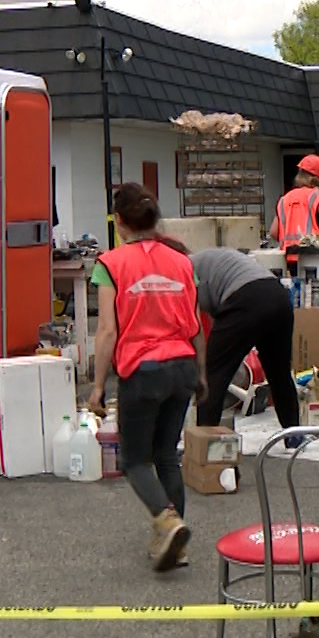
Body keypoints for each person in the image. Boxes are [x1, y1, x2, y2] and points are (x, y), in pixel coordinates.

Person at [85, 184, 207, 571]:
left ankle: (167, 521)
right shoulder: (182, 262)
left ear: (119, 222)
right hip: (182, 365)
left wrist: (98, 385)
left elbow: (107, 330)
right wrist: (201, 372)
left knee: (136, 460)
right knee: (167, 455)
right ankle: (176, 545)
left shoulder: (111, 263)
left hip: (143, 369)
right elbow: (196, 324)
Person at [189, 247, 300, 431]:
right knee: (279, 374)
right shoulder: (205, 259)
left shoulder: (182, 271)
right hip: (278, 296)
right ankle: (294, 435)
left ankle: (205, 442)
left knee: (214, 375)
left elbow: (194, 324)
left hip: (245, 298)